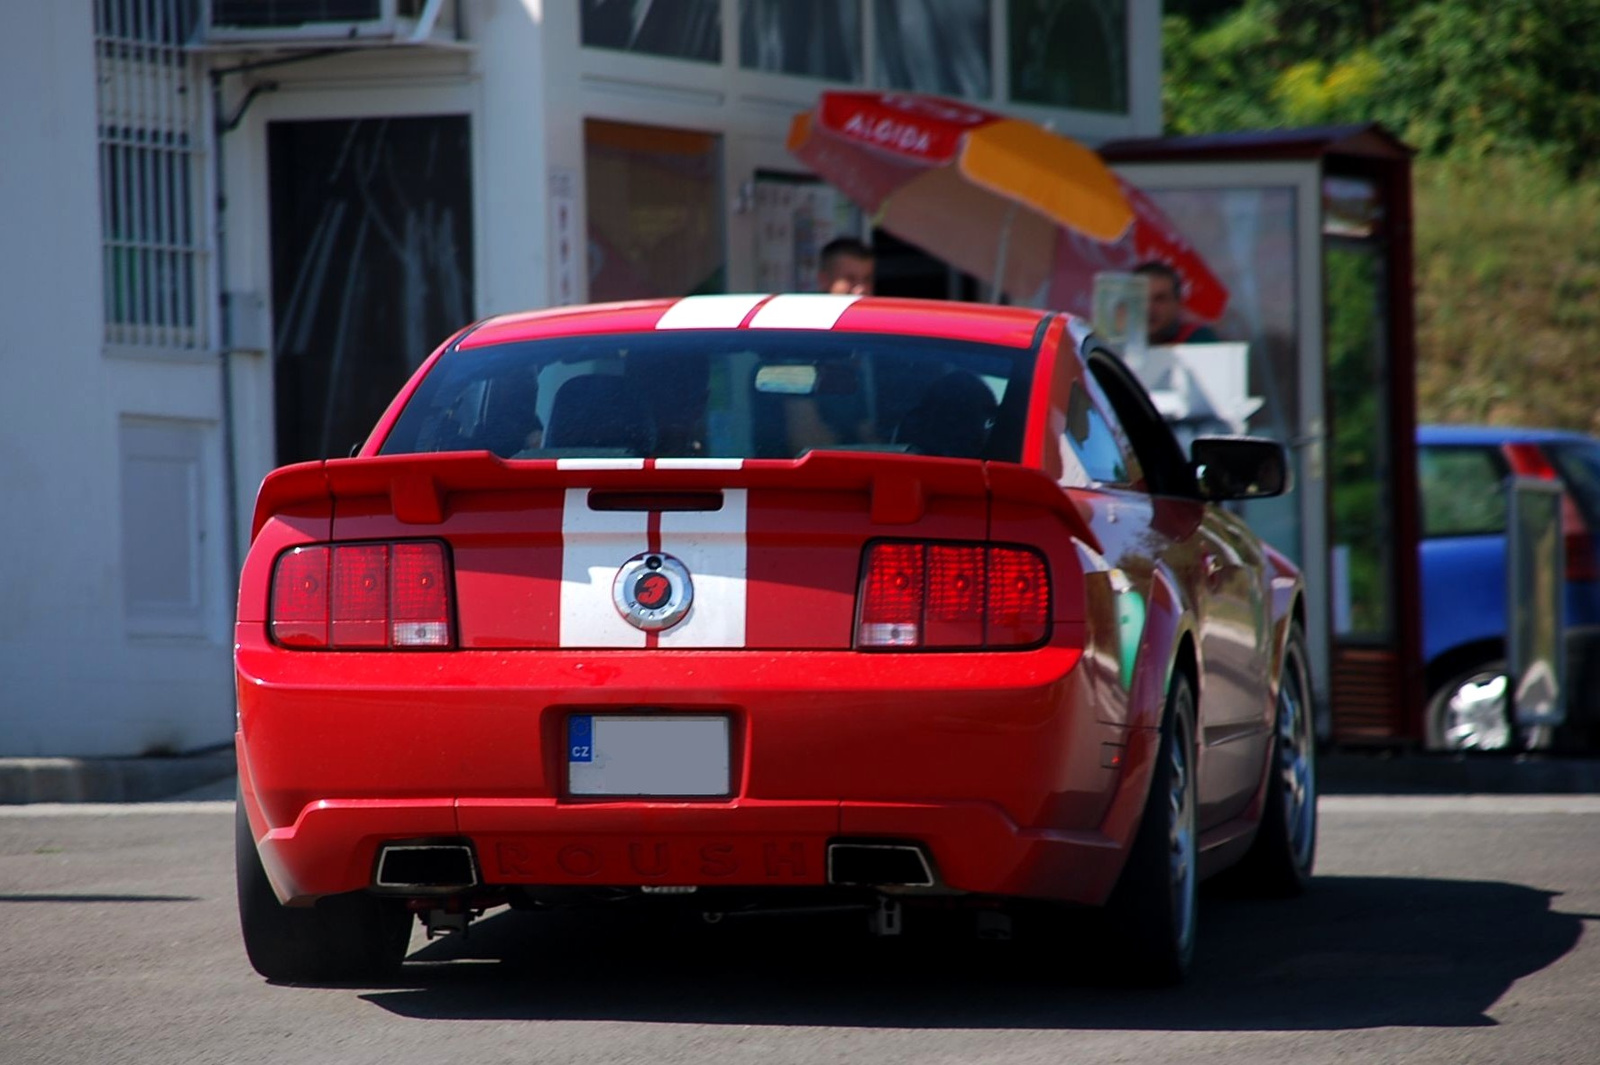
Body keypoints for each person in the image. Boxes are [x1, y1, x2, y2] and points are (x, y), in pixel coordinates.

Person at [1136, 260, 1219, 344]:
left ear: (1177, 303)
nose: (1149, 308)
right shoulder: (1124, 342)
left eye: (1160, 299)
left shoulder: (1199, 340)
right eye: (1142, 299)